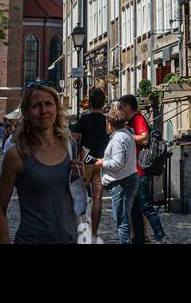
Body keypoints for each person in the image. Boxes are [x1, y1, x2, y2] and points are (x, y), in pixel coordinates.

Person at [0, 84, 83, 244]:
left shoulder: (69, 145)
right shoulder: (16, 155)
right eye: (36, 106)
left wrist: (79, 178)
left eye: (48, 104)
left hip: (69, 239)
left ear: (56, 109)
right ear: (26, 113)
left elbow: (76, 199)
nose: (43, 111)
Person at [118, 93, 167, 244]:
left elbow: (144, 138)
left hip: (140, 171)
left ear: (127, 107)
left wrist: (124, 136)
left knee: (146, 206)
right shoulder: (129, 122)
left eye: (121, 108)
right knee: (134, 208)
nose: (119, 111)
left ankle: (160, 236)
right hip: (132, 172)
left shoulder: (138, 119)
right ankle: (138, 238)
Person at [71, 88, 109, 241]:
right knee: (97, 197)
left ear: (90, 103)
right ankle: (94, 232)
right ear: (103, 103)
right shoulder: (106, 120)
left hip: (85, 160)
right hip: (101, 161)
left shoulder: (84, 120)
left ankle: (82, 229)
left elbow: (74, 140)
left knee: (81, 195)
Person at [96, 105, 138, 244]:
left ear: (109, 124)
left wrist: (101, 162)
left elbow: (117, 163)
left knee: (121, 220)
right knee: (124, 218)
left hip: (122, 182)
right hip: (129, 178)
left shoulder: (118, 138)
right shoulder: (127, 134)